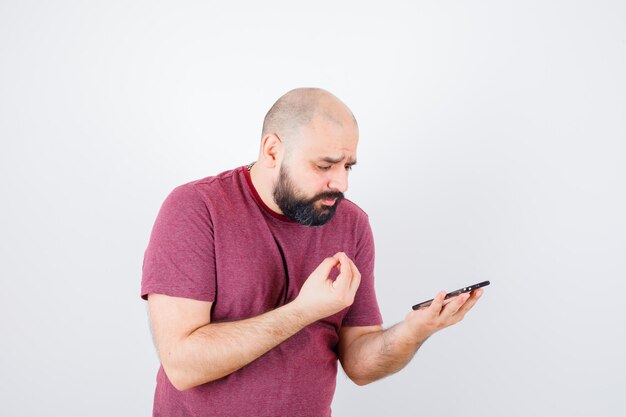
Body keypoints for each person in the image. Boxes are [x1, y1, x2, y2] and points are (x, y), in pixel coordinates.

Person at [141, 88, 483, 416]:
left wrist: (414, 331)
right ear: (273, 151)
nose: (341, 183)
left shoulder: (351, 224)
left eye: (347, 166)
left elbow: (360, 365)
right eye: (324, 166)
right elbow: (182, 365)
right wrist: (304, 311)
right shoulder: (196, 208)